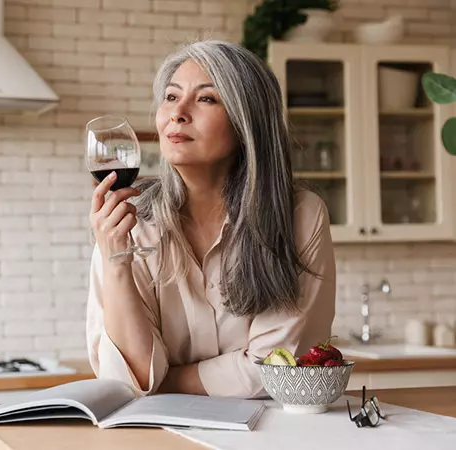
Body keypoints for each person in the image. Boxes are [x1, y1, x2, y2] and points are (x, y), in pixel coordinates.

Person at [85, 40, 336, 398]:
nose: (178, 113)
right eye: (171, 97)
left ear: (246, 121)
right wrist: (116, 260)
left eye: (206, 98)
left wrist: (165, 381)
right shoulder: (130, 225)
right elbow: (129, 378)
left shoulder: (299, 216)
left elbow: (276, 369)